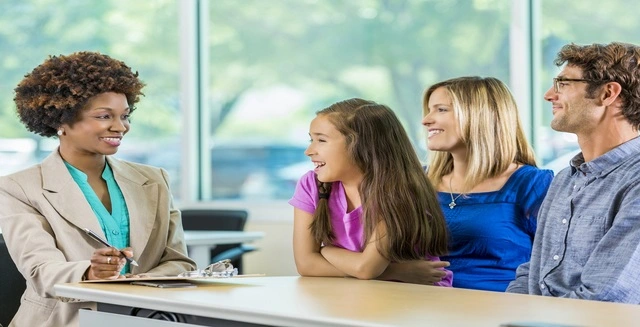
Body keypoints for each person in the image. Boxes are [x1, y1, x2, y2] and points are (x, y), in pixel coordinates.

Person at [0, 51, 196, 327]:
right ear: (61, 120)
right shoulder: (18, 188)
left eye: (125, 116)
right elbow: (42, 271)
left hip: (144, 319)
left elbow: (180, 262)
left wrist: (134, 284)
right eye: (105, 116)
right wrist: (91, 272)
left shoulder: (155, 181)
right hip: (65, 321)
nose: (120, 127)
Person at [506, 42, 640, 303]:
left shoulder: (635, 181)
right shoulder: (565, 179)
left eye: (563, 84)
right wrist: (511, 312)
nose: (548, 95)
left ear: (608, 93)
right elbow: (532, 272)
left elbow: (609, 297)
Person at [290, 98, 452, 286]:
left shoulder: (397, 191)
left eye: (321, 140)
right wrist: (397, 271)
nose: (309, 151)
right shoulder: (311, 185)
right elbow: (306, 265)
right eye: (312, 139)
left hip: (416, 296)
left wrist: (326, 251)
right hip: (364, 289)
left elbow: (366, 268)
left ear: (362, 145)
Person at [422, 76, 553, 292]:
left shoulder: (532, 184)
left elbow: (555, 265)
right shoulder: (420, 181)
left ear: (480, 116)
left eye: (441, 110)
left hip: (498, 309)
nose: (426, 120)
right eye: (429, 110)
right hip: (419, 306)